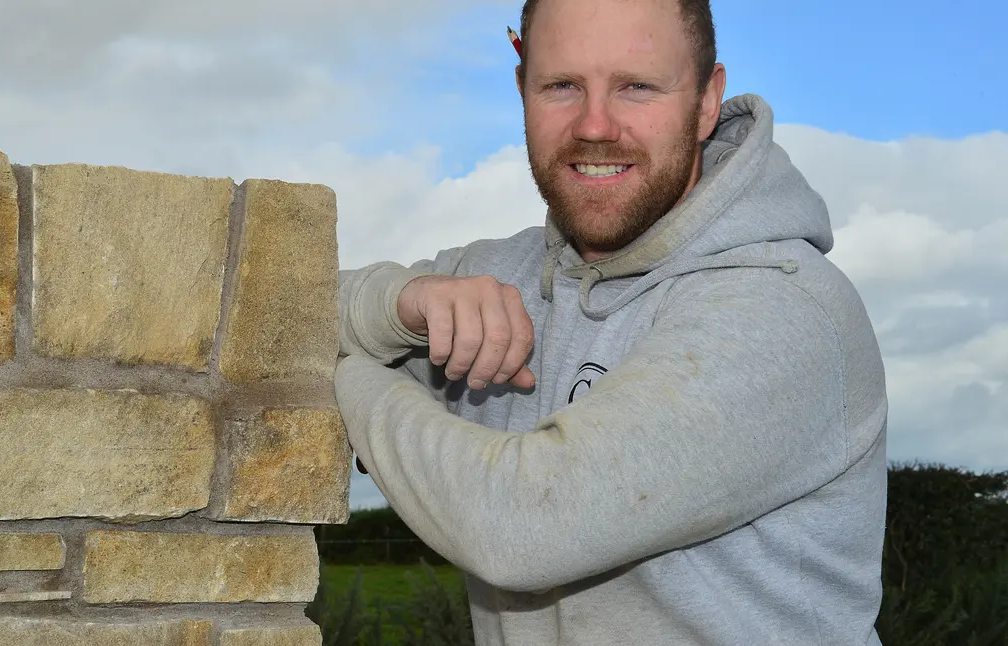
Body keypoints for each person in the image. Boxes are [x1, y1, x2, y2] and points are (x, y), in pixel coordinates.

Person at [334, 0, 888, 643]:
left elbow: (520, 526)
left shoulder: (784, 309)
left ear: (708, 102)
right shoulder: (493, 275)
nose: (595, 125)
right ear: (522, 91)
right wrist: (401, 302)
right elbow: (283, 318)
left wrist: (354, 378)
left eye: (638, 87)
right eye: (561, 85)